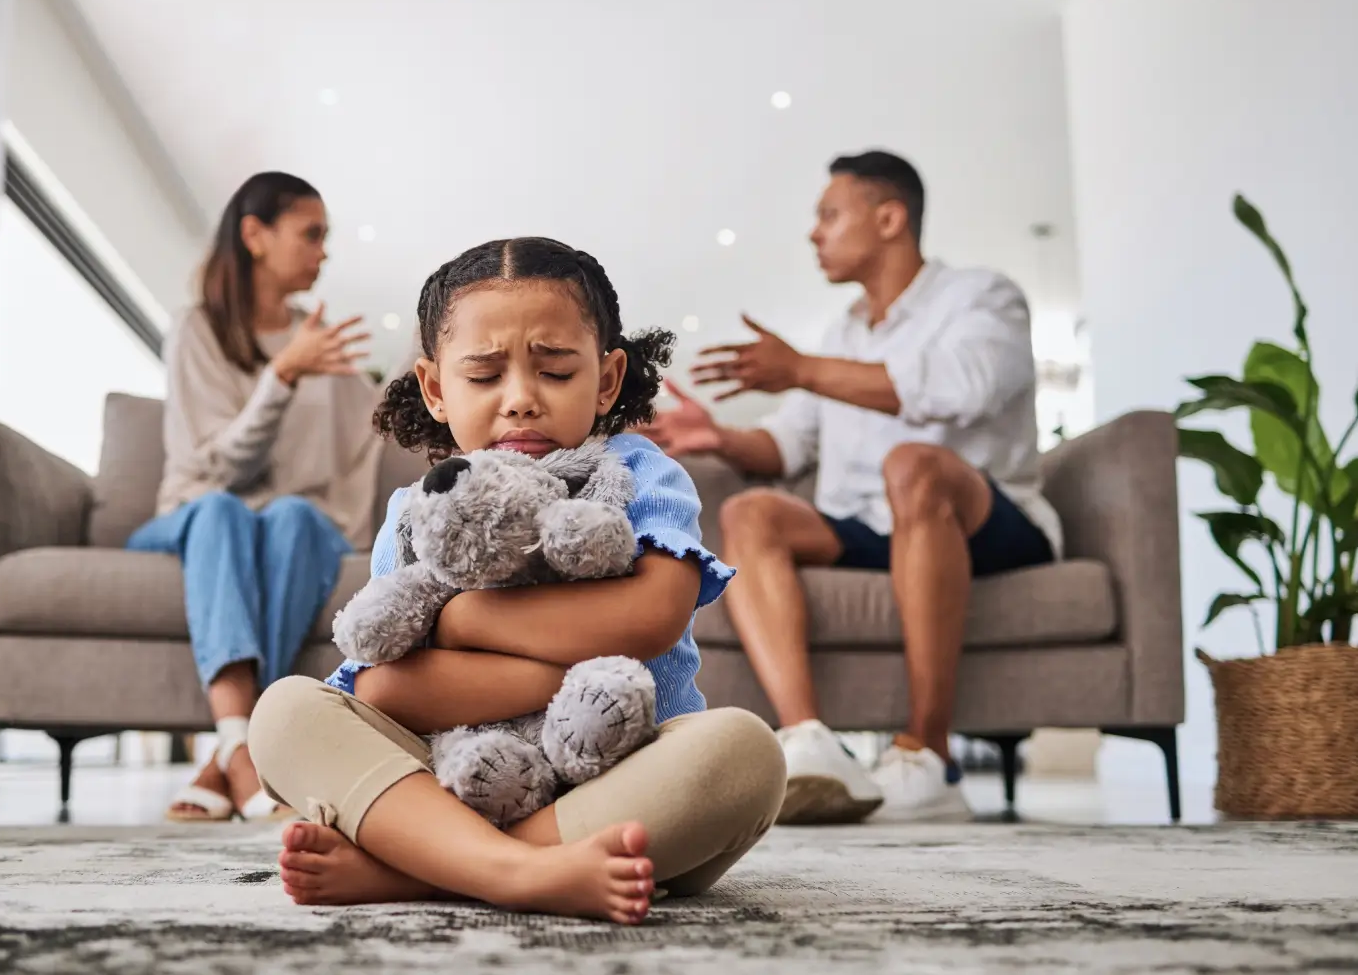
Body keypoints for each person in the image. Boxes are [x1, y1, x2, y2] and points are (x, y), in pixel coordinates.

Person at [247, 237, 785, 924]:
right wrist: (569, 653)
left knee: (744, 754)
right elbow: (384, 691)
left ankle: (429, 867)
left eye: (556, 372)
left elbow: (653, 617)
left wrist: (460, 621)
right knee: (285, 711)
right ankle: (521, 871)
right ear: (436, 387)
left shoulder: (638, 472)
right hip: (456, 773)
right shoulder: (418, 513)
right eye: (484, 376)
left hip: (621, 777)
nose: (521, 401)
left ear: (608, 379)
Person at [643, 150, 1061, 825]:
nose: (815, 232)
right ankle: (810, 741)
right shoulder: (842, 334)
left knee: (911, 465)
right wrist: (717, 436)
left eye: (830, 215)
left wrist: (803, 368)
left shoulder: (982, 298)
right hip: (873, 527)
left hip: (988, 525)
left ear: (890, 217)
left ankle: (930, 753)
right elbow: (785, 446)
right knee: (752, 511)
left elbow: (963, 390)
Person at [128, 171, 402, 822]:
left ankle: (230, 752)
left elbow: (369, 436)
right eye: (311, 235)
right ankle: (250, 750)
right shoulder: (198, 330)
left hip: (287, 523)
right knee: (224, 510)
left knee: (298, 517)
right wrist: (281, 376)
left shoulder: (319, 337)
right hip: (196, 514)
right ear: (254, 235)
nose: (323, 252)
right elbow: (216, 468)